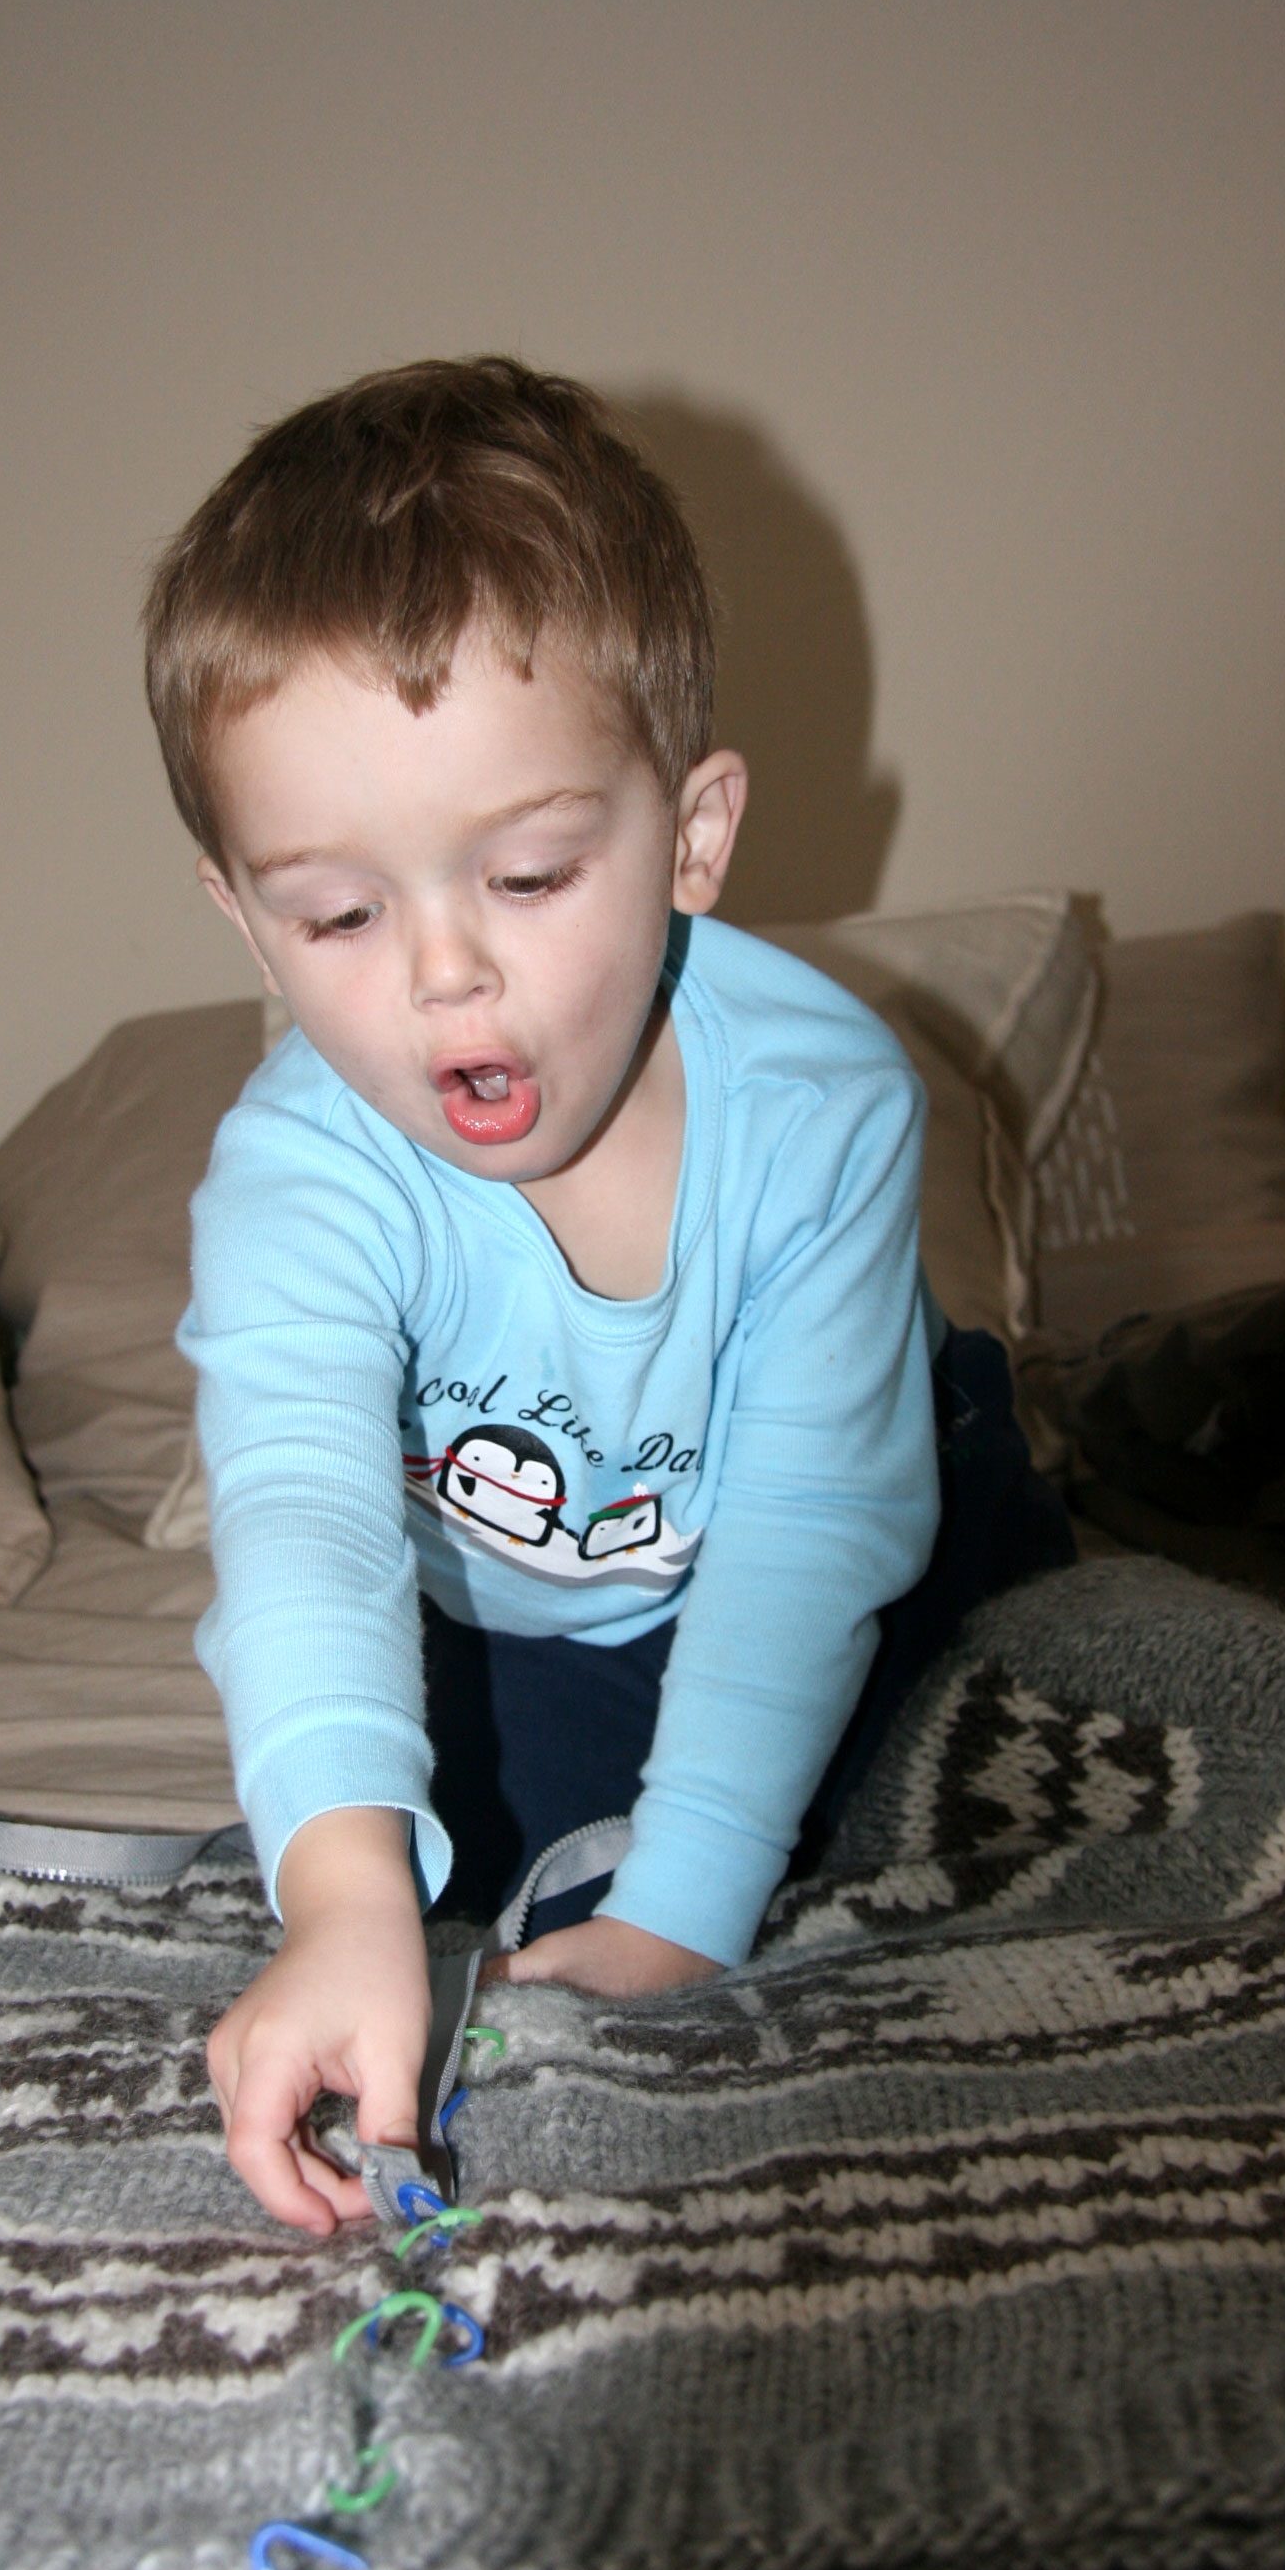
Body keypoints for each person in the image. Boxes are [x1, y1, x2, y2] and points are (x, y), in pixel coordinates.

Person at [144, 356, 1070, 2234]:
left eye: (532, 873)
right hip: (527, 1607)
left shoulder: (822, 1106)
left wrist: (693, 1907)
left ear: (693, 839)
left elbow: (807, 1529)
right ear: (243, 918)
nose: (444, 978)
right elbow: (306, 1518)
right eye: (339, 916)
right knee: (460, 1871)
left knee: (988, 1711)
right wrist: (342, 1894)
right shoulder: (298, 1178)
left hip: (828, 1499)